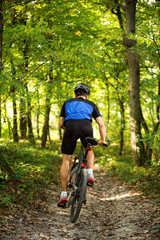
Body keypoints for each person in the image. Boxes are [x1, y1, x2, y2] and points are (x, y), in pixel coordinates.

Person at [57, 83, 106, 208]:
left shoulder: (67, 102)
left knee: (66, 161)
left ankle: (63, 194)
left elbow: (61, 123)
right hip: (86, 127)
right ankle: (90, 174)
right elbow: (101, 124)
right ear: (87, 95)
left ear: (75, 94)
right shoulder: (91, 104)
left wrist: (67, 129)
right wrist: (103, 140)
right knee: (88, 149)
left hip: (71, 127)